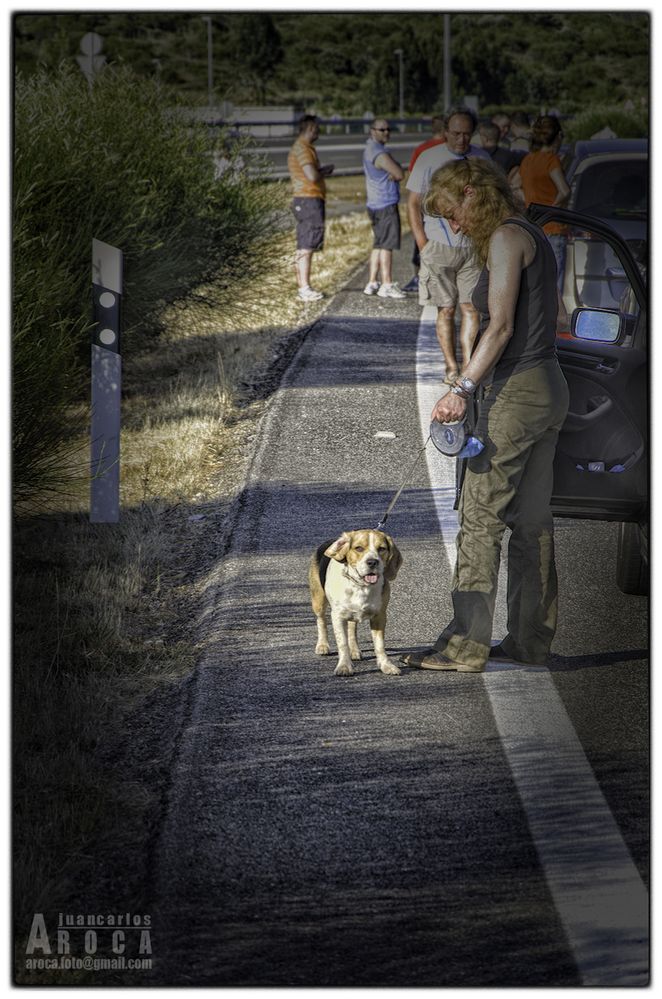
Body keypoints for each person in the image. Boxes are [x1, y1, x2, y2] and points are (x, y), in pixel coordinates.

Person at [402, 157, 569, 673]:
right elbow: (552, 317)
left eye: (452, 213)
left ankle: (465, 645)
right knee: (533, 523)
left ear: (473, 193)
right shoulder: (534, 236)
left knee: (480, 519)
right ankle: (529, 642)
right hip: (549, 386)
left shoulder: (503, 238)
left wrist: (462, 388)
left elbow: (498, 327)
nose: (453, 225)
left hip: (515, 392)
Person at [406, 106, 491, 382]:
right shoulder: (429, 158)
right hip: (437, 245)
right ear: (445, 132)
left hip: (472, 246)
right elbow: (413, 202)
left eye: (467, 134)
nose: (461, 140)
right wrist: (422, 244)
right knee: (446, 309)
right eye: (456, 134)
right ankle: (451, 366)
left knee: (471, 307)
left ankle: (468, 366)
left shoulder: (481, 159)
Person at [514, 114, 570, 282]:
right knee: (554, 285)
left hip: (532, 228)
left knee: (536, 283)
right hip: (553, 228)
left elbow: (515, 186)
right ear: (558, 136)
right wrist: (552, 208)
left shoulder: (528, 160)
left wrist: (529, 202)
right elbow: (565, 190)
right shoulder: (551, 160)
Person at [287, 114, 334, 302]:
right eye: (317, 128)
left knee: (305, 243)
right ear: (311, 128)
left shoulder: (302, 148)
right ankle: (304, 288)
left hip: (305, 199)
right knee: (307, 244)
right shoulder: (303, 149)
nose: (318, 132)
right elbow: (311, 175)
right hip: (308, 199)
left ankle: (304, 286)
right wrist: (324, 171)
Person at [362, 118, 406, 299]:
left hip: (374, 202)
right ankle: (387, 284)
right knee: (387, 245)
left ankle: (372, 281)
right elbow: (399, 173)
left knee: (379, 244)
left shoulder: (370, 149)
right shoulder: (378, 152)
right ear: (372, 131)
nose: (386, 132)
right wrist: (393, 172)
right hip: (385, 203)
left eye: (388, 129)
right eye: (382, 130)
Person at [403, 114, 447, 293]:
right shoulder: (449, 148)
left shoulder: (422, 149)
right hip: (445, 202)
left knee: (420, 238)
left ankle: (419, 277)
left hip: (425, 202)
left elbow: (413, 175)